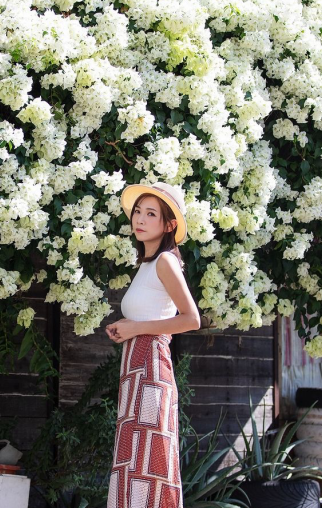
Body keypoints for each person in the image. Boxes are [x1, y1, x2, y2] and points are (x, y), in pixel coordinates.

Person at [105, 181, 200, 508]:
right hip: (136, 368)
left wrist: (136, 329)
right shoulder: (147, 264)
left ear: (168, 224)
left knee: (149, 458)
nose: (140, 219)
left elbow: (192, 319)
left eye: (150, 214)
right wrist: (126, 329)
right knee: (134, 457)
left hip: (151, 370)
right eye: (137, 212)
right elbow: (150, 318)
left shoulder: (165, 262)